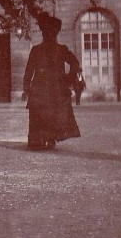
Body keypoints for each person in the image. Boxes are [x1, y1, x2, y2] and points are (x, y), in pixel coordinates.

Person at [22, 14, 82, 150]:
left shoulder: (41, 50)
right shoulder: (59, 49)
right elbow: (75, 63)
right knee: (50, 113)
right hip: (52, 87)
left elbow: (28, 71)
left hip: (44, 88)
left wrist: (26, 88)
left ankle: (46, 139)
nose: (48, 35)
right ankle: (47, 139)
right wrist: (68, 78)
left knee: (46, 114)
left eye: (49, 33)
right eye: (47, 33)